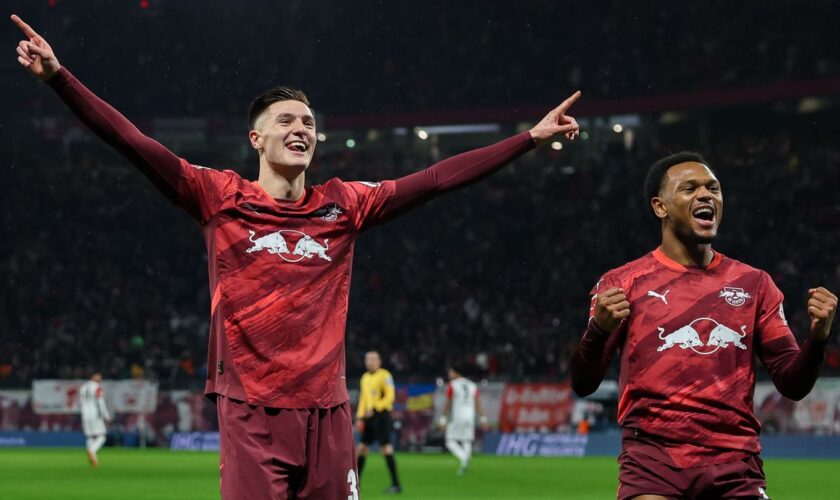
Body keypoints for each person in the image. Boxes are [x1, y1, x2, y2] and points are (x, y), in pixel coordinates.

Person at [12, 14, 580, 499]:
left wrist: (527, 139)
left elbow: (433, 180)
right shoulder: (219, 195)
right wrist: (60, 79)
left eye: (308, 122)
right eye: (285, 120)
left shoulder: (345, 205)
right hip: (252, 410)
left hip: (329, 412)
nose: (300, 128)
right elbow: (133, 143)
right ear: (256, 139)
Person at [570, 152, 837, 500]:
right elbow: (583, 382)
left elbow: (793, 383)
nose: (706, 195)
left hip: (735, 466)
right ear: (660, 207)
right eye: (689, 188)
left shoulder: (754, 283)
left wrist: (817, 339)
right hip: (654, 465)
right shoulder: (623, 283)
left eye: (713, 188)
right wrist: (599, 331)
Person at [355, 351, 401, 493]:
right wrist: (359, 416)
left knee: (385, 448)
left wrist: (375, 407)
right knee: (361, 449)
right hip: (368, 418)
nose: (371, 362)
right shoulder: (364, 378)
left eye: (374, 359)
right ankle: (356, 484)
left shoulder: (385, 375)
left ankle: (396, 484)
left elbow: (390, 397)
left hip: (382, 416)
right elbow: (363, 399)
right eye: (368, 359)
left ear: (380, 361)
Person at [437, 366, 488, 475]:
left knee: (449, 441)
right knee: (466, 440)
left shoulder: (453, 385)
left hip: (458, 416)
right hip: (470, 416)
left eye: (451, 372)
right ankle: (465, 464)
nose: (449, 375)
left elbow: (448, 404)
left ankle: (464, 457)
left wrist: (442, 420)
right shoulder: (473, 385)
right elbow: (477, 403)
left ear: (457, 373)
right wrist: (483, 419)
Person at [79, 373, 111, 467]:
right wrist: (106, 416)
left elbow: (81, 402)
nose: (100, 378)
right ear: (92, 376)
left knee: (90, 437)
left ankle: (94, 460)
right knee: (102, 436)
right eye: (98, 376)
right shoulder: (97, 387)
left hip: (85, 415)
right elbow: (100, 402)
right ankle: (92, 451)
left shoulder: (83, 387)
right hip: (95, 414)